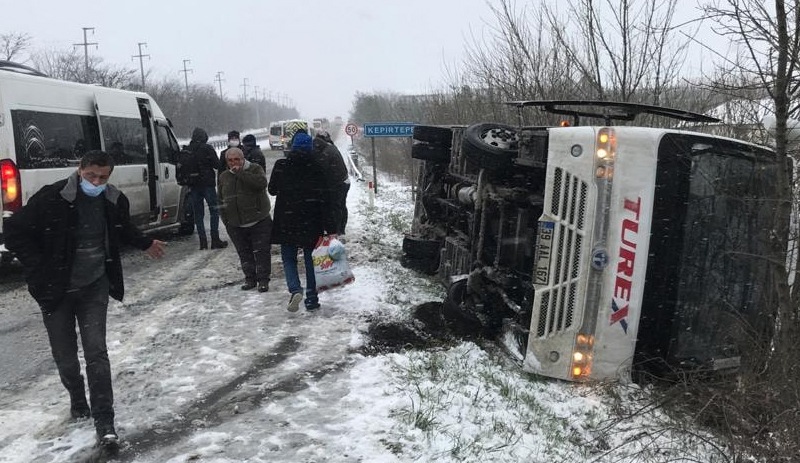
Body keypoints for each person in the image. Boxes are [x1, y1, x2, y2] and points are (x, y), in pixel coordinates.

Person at [3, 150, 167, 448]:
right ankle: (78, 397)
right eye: (91, 175)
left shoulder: (113, 199)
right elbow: (13, 230)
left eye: (103, 177)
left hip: (95, 287)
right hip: (57, 290)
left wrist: (145, 243)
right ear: (80, 170)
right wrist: (37, 267)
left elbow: (121, 228)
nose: (96, 181)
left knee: (96, 352)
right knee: (65, 358)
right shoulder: (53, 197)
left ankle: (105, 421)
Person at [269, 132, 336, 312]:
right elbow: (326, 200)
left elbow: (272, 190)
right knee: (310, 261)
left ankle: (295, 289)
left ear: (292, 146)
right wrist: (331, 228)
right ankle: (312, 299)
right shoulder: (318, 167)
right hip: (311, 220)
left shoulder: (281, 165)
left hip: (286, 219)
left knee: (288, 258)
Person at [218, 147, 273, 292]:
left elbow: (261, 183)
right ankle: (250, 278)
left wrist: (240, 173)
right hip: (235, 224)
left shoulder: (255, 169)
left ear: (243, 159)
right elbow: (221, 200)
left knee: (261, 252)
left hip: (259, 220)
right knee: (244, 253)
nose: (233, 163)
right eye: (230, 160)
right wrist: (226, 221)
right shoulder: (224, 176)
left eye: (237, 159)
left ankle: (263, 280)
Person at [187, 128, 228, 250]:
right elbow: (217, 165)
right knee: (214, 211)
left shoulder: (188, 149)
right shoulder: (207, 148)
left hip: (193, 185)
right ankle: (215, 239)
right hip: (207, 184)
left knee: (198, 214)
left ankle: (203, 242)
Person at [314, 131, 350, 235]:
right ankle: (340, 229)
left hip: (338, 183)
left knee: (335, 207)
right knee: (340, 206)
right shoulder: (331, 147)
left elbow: (321, 168)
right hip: (343, 181)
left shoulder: (326, 151)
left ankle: (338, 230)